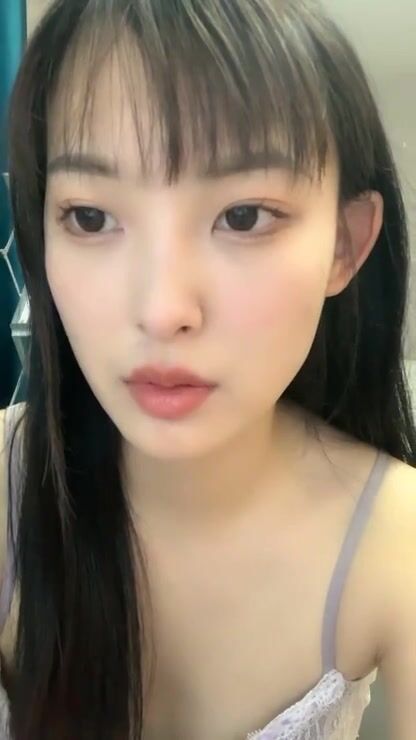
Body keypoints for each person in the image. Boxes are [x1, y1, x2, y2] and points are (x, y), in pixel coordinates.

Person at [0, 0, 416, 738]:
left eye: (244, 216)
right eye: (90, 217)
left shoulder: (396, 543)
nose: (163, 311)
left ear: (345, 246)